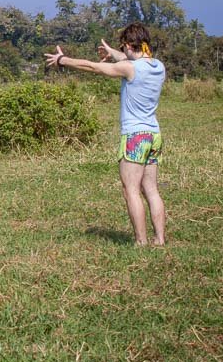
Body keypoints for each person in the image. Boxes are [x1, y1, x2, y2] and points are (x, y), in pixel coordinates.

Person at [44, 23, 166, 246]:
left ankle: (141, 241)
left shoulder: (130, 69)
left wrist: (63, 60)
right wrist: (113, 52)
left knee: (131, 190)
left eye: (123, 47)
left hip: (134, 136)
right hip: (153, 134)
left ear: (129, 45)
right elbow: (130, 57)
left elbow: (94, 68)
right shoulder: (158, 66)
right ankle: (159, 239)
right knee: (151, 190)